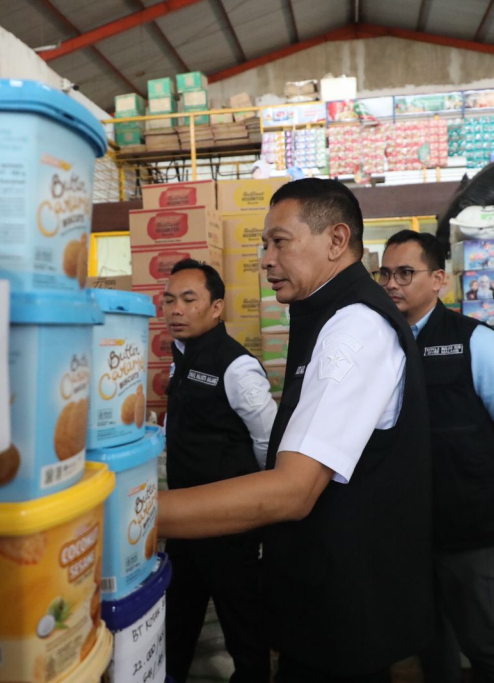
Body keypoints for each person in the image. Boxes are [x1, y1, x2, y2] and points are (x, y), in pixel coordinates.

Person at [159, 178, 433, 682]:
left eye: (279, 242)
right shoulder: (324, 316)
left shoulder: (354, 327)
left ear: (335, 240)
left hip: (346, 608)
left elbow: (294, 490)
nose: (265, 259)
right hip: (321, 595)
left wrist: (136, 515)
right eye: (264, 245)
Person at [379, 230, 494, 683]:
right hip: (408, 524)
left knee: (483, 639)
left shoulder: (476, 341)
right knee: (427, 635)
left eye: (405, 273)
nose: (392, 284)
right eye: (385, 273)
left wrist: (474, 481)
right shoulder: (381, 343)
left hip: (466, 525)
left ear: (439, 280)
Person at [161, 259, 277, 683]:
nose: (176, 309)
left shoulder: (237, 367)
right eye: (170, 300)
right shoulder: (181, 357)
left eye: (189, 300)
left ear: (216, 308)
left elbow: (268, 439)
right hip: (185, 518)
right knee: (178, 613)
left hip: (230, 522)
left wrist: (259, 501)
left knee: (242, 621)